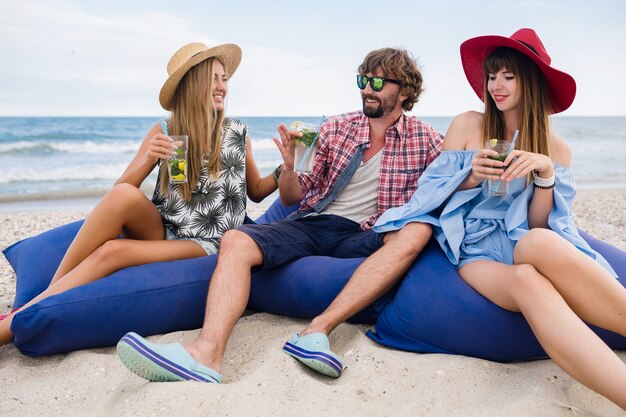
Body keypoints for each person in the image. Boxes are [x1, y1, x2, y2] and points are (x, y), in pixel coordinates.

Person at [116, 47, 443, 383]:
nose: (366, 89)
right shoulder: (335, 128)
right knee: (235, 239)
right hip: (314, 223)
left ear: (404, 91)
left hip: (367, 233)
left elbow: (458, 176)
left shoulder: (427, 140)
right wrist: (288, 166)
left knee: (416, 231)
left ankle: (316, 331)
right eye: (362, 79)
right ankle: (206, 354)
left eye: (376, 81)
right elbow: (293, 196)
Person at [374, 28, 626, 409]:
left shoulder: (557, 149)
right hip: (477, 250)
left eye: (509, 75)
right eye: (492, 76)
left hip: (527, 242)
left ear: (532, 81)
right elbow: (428, 199)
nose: (497, 85)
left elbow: (542, 227)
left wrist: (545, 174)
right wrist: (470, 175)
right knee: (527, 279)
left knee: (536, 242)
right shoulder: (468, 125)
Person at [0, 42, 278, 345]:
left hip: (206, 240)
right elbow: (121, 189)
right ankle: (41, 302)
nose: (222, 85)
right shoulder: (166, 129)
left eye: (225, 78)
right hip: (164, 226)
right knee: (122, 196)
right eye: (213, 78)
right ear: (193, 84)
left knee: (111, 252)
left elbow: (257, 191)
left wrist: (283, 169)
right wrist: (148, 157)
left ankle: (21, 317)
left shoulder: (237, 132)